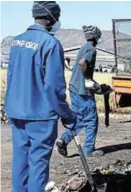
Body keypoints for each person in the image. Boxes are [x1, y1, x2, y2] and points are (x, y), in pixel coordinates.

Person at [4, 1, 76, 191]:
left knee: (21, 160)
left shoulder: (17, 41)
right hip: (40, 115)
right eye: (57, 17)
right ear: (51, 18)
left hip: (16, 110)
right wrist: (67, 115)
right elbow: (54, 87)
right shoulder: (50, 44)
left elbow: (11, 77)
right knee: (38, 163)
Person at [56, 25, 104, 157]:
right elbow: (83, 63)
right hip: (83, 91)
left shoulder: (83, 47)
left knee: (80, 118)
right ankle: (89, 149)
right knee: (91, 120)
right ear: (96, 37)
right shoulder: (91, 49)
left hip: (74, 88)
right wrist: (89, 79)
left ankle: (63, 140)